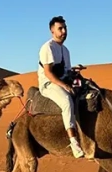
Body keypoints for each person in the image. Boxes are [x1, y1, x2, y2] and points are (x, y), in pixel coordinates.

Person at [37, 16, 85, 158]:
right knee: (66, 101)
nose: (64, 31)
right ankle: (74, 142)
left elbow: (65, 71)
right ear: (52, 31)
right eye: (60, 29)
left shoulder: (65, 50)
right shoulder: (48, 48)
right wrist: (64, 85)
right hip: (48, 84)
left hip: (62, 80)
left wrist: (74, 71)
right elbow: (48, 73)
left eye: (65, 28)